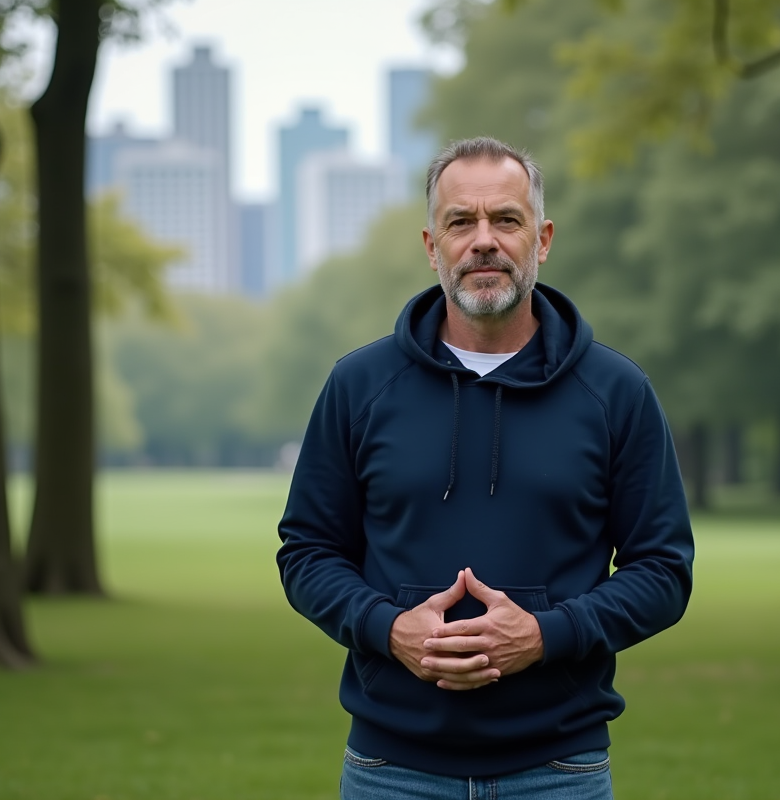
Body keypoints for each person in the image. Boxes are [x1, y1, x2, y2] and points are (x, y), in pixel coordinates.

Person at [276, 136, 694, 799]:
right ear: (431, 245)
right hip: (391, 771)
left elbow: (664, 570)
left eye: (506, 219)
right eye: (460, 222)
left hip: (559, 771)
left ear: (542, 239)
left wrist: (546, 635)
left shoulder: (616, 392)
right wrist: (389, 628)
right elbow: (307, 552)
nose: (483, 241)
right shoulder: (359, 385)